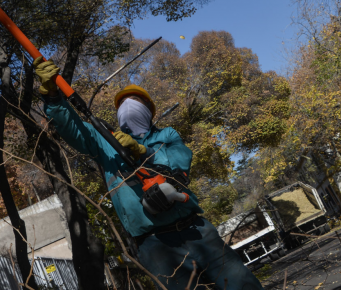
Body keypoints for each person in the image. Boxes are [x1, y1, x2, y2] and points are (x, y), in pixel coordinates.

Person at [32, 58, 263, 290]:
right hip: (155, 246)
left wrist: (144, 152)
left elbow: (180, 162)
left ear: (148, 110)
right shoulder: (104, 142)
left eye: (135, 101)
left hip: (198, 232)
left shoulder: (168, 136)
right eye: (123, 103)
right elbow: (73, 129)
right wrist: (53, 97)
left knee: (242, 285)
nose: (129, 105)